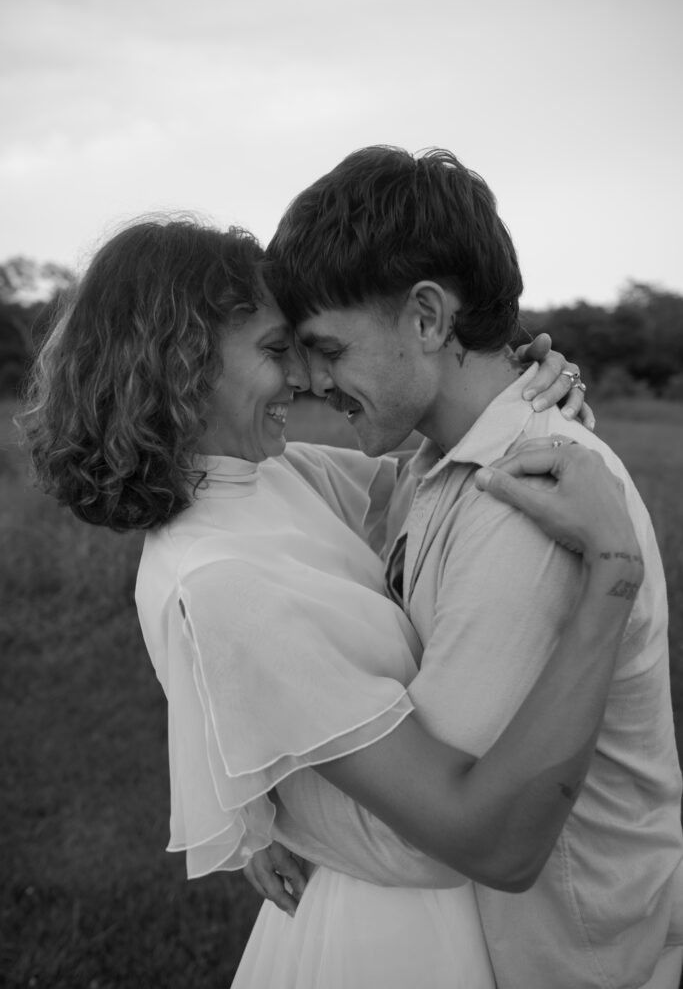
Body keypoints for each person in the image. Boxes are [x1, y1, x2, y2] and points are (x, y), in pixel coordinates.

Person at [21, 218, 642, 989]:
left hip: (435, 901)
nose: (304, 380)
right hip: (396, 924)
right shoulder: (219, 576)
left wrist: (518, 387)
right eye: (278, 352)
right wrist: (612, 573)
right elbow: (468, 838)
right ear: (184, 363)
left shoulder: (276, 476)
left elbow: (447, 476)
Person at [262, 146, 683, 988]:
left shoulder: (528, 497)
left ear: (426, 317)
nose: (309, 380)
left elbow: (441, 824)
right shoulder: (431, 464)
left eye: (327, 348)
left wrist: (258, 812)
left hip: (568, 960)